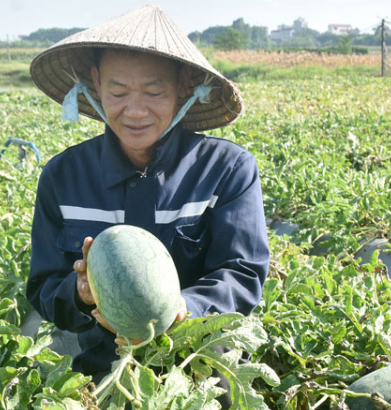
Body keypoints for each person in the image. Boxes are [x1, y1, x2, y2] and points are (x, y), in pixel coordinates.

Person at [26, 6, 269, 382]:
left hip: (199, 370)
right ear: (95, 83)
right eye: (118, 91)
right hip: (100, 373)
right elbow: (43, 285)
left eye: (154, 91)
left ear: (184, 85)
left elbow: (242, 273)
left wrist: (185, 308)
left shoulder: (227, 169)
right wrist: (79, 292)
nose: (134, 111)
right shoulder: (63, 176)